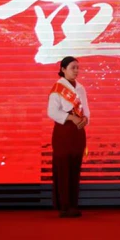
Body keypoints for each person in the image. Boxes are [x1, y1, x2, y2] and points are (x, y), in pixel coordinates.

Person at [47, 56, 89, 218]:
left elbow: (86, 109)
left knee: (75, 167)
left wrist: (85, 119)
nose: (76, 71)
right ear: (63, 69)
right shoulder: (57, 88)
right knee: (63, 167)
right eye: (73, 67)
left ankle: (73, 204)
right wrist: (71, 118)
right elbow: (52, 112)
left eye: (77, 67)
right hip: (64, 130)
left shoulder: (81, 88)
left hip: (78, 131)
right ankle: (64, 205)